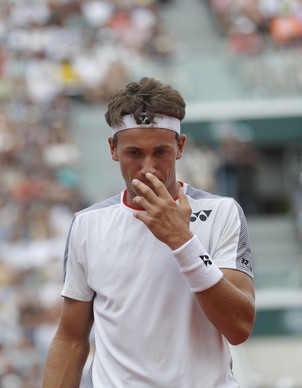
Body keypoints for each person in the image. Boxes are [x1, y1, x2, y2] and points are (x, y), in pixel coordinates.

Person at [42, 77, 255, 387]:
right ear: (113, 150)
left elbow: (239, 327)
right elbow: (71, 339)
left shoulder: (222, 213)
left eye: (160, 152)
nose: (148, 167)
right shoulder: (88, 224)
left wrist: (182, 241)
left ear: (180, 147)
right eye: (134, 153)